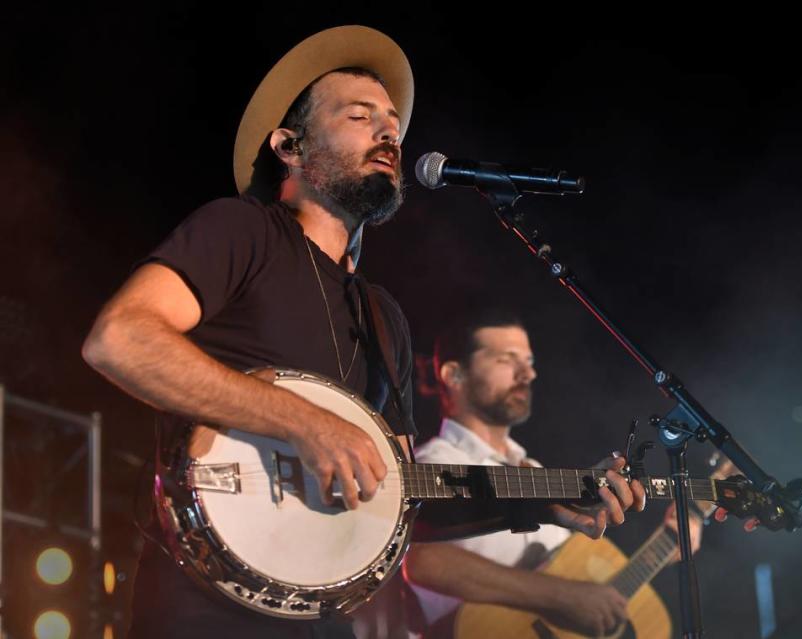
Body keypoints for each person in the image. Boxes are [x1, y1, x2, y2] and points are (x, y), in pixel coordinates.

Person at [81, 26, 644, 639]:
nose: (388, 132)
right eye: (360, 115)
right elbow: (120, 341)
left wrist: (539, 500)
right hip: (205, 611)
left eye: (393, 123)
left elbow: (401, 500)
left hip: (325, 621)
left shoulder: (383, 316)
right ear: (290, 147)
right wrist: (305, 420)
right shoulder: (242, 232)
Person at [404, 310, 703, 637]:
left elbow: (580, 581)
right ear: (454, 374)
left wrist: (665, 548)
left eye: (529, 361)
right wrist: (561, 597)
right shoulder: (430, 465)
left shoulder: (533, 470)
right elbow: (420, 558)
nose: (528, 373)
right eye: (507, 360)